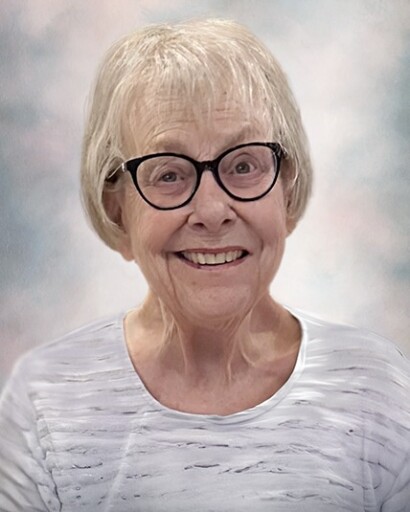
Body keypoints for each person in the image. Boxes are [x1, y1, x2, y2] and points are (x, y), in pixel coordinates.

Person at [0, 18, 409, 512]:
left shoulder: (375, 388)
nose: (213, 211)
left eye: (243, 165)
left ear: (287, 189)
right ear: (118, 210)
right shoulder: (45, 403)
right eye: (169, 174)